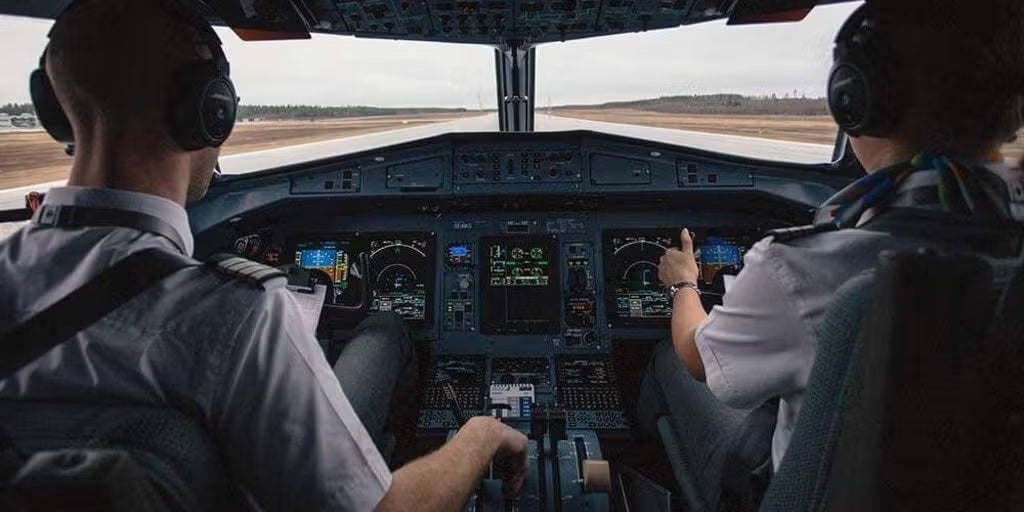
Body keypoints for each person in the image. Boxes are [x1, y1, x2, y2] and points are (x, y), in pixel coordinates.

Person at [0, 0, 527, 510]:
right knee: (384, 328)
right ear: (210, 111)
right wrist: (480, 436)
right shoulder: (234, 315)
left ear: (55, 110)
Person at [641, 1, 1024, 510]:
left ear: (856, 98)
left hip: (806, 489)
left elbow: (698, 359)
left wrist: (683, 283)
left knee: (668, 356)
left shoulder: (804, 267)